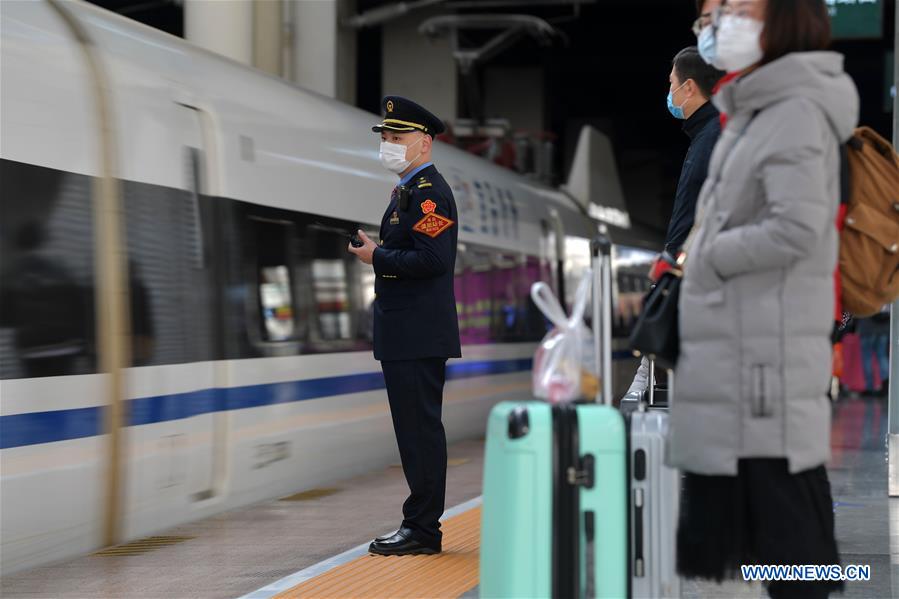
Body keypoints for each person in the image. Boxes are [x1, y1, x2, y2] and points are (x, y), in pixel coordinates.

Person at [671, 1, 859, 597]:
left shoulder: (794, 110)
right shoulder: (755, 112)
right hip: (745, 359)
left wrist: (704, 256)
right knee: (770, 543)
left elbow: (796, 229)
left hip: (764, 368)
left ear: (787, 16)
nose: (716, 21)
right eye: (711, 11)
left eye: (734, 6)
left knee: (787, 546)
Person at [348, 96, 461, 556]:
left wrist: (377, 257)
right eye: (386, 138)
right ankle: (419, 525)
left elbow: (435, 260)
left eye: (398, 138)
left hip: (416, 334)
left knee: (420, 432)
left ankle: (422, 529)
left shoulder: (430, 191)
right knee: (414, 431)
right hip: (406, 333)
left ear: (424, 143)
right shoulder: (408, 192)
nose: (389, 145)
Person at [626, 45, 724, 396]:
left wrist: (673, 262)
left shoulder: (713, 138)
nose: (669, 93)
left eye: (672, 84)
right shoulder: (705, 136)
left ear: (690, 87)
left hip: (693, 285)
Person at [857, 307, 890, 396]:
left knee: (867, 357)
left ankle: (869, 388)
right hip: (884, 327)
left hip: (867, 326)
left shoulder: (866, 292)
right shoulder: (887, 292)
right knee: (882, 356)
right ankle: (886, 386)